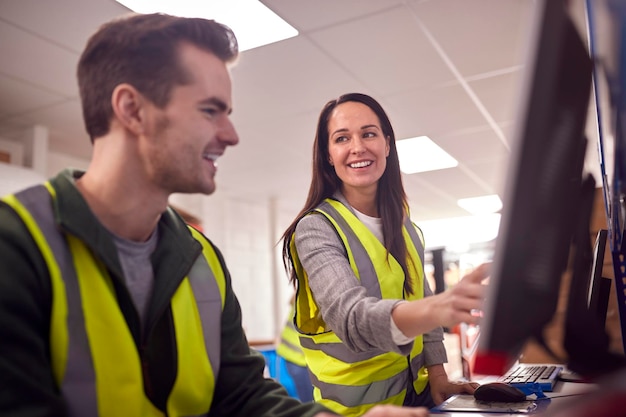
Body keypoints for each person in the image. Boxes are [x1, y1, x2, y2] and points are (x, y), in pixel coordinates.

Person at [0, 13, 432, 417]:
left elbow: (242, 395)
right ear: (132, 109)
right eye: (210, 110)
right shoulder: (16, 246)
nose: (230, 135)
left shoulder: (202, 259)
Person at [280, 92, 490, 416]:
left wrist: (438, 376)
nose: (358, 147)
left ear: (387, 144)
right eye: (342, 138)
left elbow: (423, 299)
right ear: (328, 155)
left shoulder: (406, 227)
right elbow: (352, 319)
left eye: (368, 133)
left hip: (418, 397)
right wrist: (437, 308)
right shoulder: (316, 229)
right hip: (357, 412)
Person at [276, 298, 314, 402]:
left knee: (308, 401)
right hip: (300, 359)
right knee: (310, 402)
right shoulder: (313, 297)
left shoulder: (303, 293)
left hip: (293, 357)